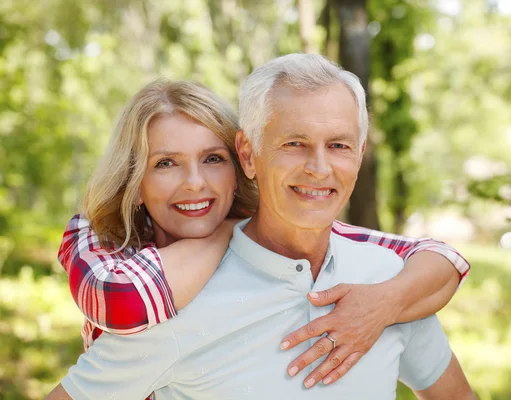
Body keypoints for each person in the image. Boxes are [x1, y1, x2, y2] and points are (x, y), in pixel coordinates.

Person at [47, 56, 473, 399]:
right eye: (294, 144)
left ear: (360, 154)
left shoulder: (386, 281)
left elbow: (437, 263)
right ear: (248, 156)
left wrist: (387, 302)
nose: (319, 168)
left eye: (339, 145)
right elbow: (116, 297)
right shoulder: (167, 308)